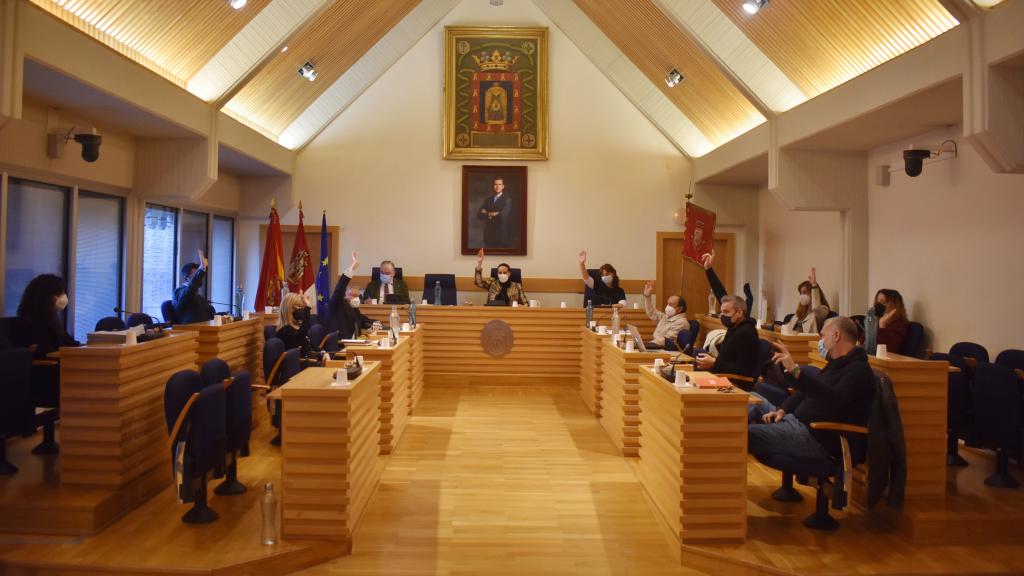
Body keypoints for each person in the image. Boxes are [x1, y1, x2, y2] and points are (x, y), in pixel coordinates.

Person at [746, 316, 875, 461]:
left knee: (740, 434)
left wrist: (796, 371)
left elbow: (833, 400)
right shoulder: (836, 363)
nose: (821, 341)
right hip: (795, 421)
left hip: (816, 436)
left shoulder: (858, 370)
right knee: (747, 399)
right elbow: (805, 392)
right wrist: (782, 410)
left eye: (823, 335)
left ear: (836, 335)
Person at [695, 250, 758, 376]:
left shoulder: (746, 332)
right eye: (721, 311)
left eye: (726, 312)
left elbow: (743, 370)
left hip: (734, 383)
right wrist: (708, 269)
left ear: (739, 312)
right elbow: (721, 295)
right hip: (720, 375)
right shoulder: (735, 326)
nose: (722, 315)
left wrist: (714, 363)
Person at [13, 273, 80, 359]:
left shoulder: (53, 320)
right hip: (49, 368)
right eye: (60, 293)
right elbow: (41, 353)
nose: (63, 296)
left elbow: (70, 343)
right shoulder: (31, 322)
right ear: (46, 296)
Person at [327, 251, 382, 339]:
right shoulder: (336, 303)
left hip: (355, 345)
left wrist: (376, 323)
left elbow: (365, 321)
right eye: (353, 295)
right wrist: (352, 268)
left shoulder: (354, 310)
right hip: (340, 346)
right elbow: (340, 288)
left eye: (357, 296)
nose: (356, 298)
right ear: (344, 295)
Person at [642, 281, 689, 350]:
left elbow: (665, 341)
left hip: (664, 350)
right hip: (655, 346)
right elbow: (652, 313)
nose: (667, 306)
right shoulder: (667, 316)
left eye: (671, 304)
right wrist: (647, 296)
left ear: (680, 309)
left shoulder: (681, 323)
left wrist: (646, 345)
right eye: (667, 304)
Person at [783, 267, 831, 334]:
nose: (802, 296)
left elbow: (816, 309)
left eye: (805, 292)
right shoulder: (801, 311)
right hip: (792, 339)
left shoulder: (823, 309)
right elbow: (788, 328)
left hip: (805, 342)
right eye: (801, 293)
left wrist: (814, 286)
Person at [173, 249, 214, 324]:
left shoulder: (199, 296)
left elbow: (211, 313)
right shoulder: (178, 292)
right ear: (186, 278)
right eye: (195, 275)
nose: (200, 278)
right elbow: (190, 290)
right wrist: (202, 270)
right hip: (192, 331)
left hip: (208, 328)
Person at [477, 178, 511, 248]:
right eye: (495, 184)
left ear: (503, 186)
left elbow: (502, 216)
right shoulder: (488, 200)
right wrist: (492, 214)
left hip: (500, 236)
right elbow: (479, 215)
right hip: (488, 235)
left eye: (500, 184)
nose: (497, 186)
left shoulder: (507, 200)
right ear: (493, 186)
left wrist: (487, 213)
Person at [275, 292, 312, 357]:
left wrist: (323, 353)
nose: (302, 309)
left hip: (310, 362)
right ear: (289, 309)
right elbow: (301, 335)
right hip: (299, 365)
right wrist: (307, 308)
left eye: (303, 307)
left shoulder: (298, 327)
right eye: (299, 306)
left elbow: (311, 346)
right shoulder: (284, 331)